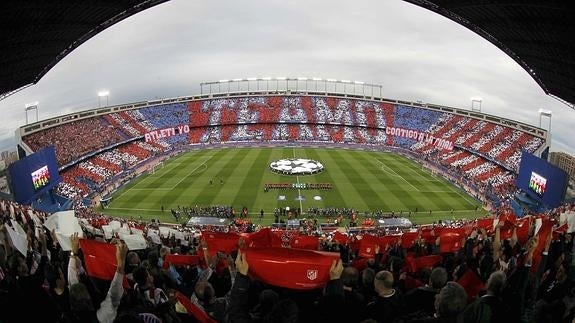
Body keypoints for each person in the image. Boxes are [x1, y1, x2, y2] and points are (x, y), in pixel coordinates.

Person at [68, 233, 128, 323]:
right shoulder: (101, 318)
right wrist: (121, 263)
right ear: (89, 300)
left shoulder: (72, 311)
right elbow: (113, 296)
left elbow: (72, 279)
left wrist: (73, 253)